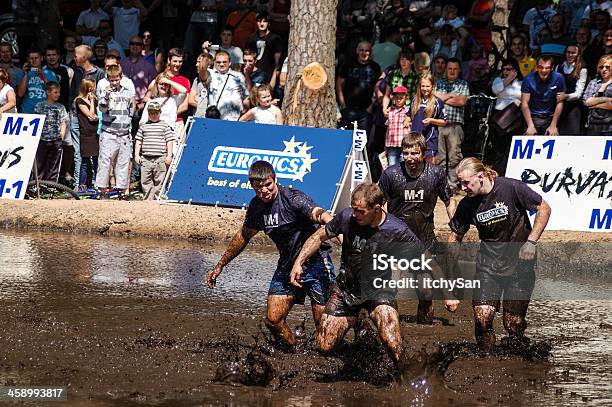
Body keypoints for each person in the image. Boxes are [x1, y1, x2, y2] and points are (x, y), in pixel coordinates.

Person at [290, 182, 458, 365]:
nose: (355, 215)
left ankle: (405, 379)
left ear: (376, 209)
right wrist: (299, 263)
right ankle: (359, 346)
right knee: (324, 346)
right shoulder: (346, 217)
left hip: (380, 290)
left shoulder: (397, 230)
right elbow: (319, 236)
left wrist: (448, 294)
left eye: (360, 211)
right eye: (353, 209)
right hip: (347, 289)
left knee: (392, 342)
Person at [206, 161, 336, 349]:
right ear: (252, 186)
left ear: (275, 180)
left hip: (316, 264)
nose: (265, 191)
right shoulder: (257, 207)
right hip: (286, 265)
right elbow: (243, 236)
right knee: (273, 320)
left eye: (268, 185)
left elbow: (319, 214)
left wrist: (337, 229)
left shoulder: (293, 198)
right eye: (259, 188)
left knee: (324, 332)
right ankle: (294, 352)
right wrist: (220, 265)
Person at [448, 157, 551, 351]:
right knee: (482, 318)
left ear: (481, 176)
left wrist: (531, 242)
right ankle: (487, 360)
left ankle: (518, 358)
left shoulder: (511, 188)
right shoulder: (467, 204)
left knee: (512, 324)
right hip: (488, 267)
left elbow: (544, 208)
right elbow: (455, 237)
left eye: (466, 182)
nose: (463, 188)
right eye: (460, 183)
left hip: (520, 265)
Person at [378, 133, 457, 324]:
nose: (410, 158)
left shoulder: (436, 173)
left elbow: (449, 200)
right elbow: (378, 204)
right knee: (390, 289)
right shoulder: (390, 174)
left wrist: (456, 228)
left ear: (423, 153)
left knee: (426, 291)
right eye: (406, 153)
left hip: (425, 237)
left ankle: (425, 330)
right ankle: (390, 327)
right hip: (395, 240)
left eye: (414, 153)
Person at [95, 65, 135, 198]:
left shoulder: (127, 91)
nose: (114, 82)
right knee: (105, 161)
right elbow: (102, 109)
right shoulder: (105, 92)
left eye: (116, 79)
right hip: (109, 132)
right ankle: (102, 190)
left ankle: (122, 191)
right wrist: (106, 96)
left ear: (120, 78)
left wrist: (128, 127)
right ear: (108, 79)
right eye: (111, 80)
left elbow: (131, 110)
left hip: (123, 133)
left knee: (123, 163)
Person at [435, 58, 469, 193]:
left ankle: (453, 187)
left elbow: (462, 101)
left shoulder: (463, 83)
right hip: (438, 124)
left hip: (455, 125)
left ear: (459, 70)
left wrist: (443, 97)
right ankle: (440, 187)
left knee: (454, 157)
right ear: (446, 70)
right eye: (450, 68)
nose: (452, 71)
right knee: (440, 157)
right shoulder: (439, 83)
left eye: (455, 69)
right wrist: (450, 95)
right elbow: (434, 99)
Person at [134, 101, 175, 200]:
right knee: (145, 180)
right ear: (148, 114)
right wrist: (136, 155)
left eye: (156, 113)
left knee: (159, 181)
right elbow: (139, 141)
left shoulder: (165, 126)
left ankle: (158, 199)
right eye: (151, 113)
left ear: (160, 113)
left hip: (160, 158)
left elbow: (169, 141)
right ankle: (148, 200)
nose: (154, 115)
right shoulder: (143, 126)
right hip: (146, 158)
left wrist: (169, 156)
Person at [490, 58, 524, 175]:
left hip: (515, 119)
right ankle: (499, 173)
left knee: (510, 148)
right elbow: (495, 90)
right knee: (499, 149)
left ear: (515, 70)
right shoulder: (498, 80)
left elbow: (522, 96)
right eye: (504, 69)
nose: (506, 71)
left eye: (509, 69)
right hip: (500, 118)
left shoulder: (521, 83)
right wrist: (508, 79)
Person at [521, 55, 566, 136]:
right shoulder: (528, 79)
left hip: (551, 117)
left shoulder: (559, 78)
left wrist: (553, 125)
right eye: (541, 67)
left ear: (552, 68)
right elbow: (524, 103)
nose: (543, 70)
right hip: (532, 116)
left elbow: (560, 102)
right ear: (537, 67)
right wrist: (530, 125)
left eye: (547, 68)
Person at [407, 73, 447, 163]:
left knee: (429, 167)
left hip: (430, 139)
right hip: (415, 138)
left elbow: (444, 122)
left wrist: (431, 120)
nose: (425, 89)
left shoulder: (437, 102)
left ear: (433, 86)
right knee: (415, 165)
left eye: (427, 86)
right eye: (423, 86)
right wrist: (406, 120)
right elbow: (409, 115)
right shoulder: (414, 100)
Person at [33, 81, 68, 182]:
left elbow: (63, 122)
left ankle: (51, 185)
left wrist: (62, 135)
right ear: (48, 92)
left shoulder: (60, 107)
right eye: (55, 92)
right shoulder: (39, 105)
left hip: (56, 139)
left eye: (58, 92)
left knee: (53, 164)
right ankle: (38, 184)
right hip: (42, 139)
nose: (58, 94)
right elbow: (36, 121)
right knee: (40, 163)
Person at [207, 50, 250, 121]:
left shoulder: (239, 76)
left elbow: (246, 97)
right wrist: (206, 52)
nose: (221, 64)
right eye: (218, 62)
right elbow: (202, 68)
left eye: (224, 62)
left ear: (230, 63)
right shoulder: (210, 74)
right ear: (214, 63)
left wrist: (244, 113)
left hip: (235, 119)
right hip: (215, 118)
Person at [244, 12, 283, 87]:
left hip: (269, 76)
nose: (261, 24)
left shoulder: (275, 38)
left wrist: (273, 81)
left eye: (264, 21)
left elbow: (278, 63)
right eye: (259, 21)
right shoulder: (251, 38)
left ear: (268, 23)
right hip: (253, 77)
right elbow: (247, 59)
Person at [556, 44, 588, 135]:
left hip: (574, 106)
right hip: (559, 103)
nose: (570, 55)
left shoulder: (582, 69)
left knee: (572, 132)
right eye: (568, 52)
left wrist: (566, 96)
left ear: (578, 55)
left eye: (573, 53)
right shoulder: (559, 66)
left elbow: (579, 93)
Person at [74, 77, 99, 190]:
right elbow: (90, 115)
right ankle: (82, 184)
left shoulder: (96, 100)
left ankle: (97, 183)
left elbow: (97, 116)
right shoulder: (79, 101)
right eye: (93, 87)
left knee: (96, 160)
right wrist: (92, 102)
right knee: (85, 161)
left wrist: (95, 116)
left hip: (95, 134)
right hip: (86, 134)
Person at [17, 49, 58, 114]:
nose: (34, 60)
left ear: (41, 58)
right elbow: (20, 94)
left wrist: (43, 77)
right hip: (27, 111)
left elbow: (55, 92)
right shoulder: (21, 73)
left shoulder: (50, 73)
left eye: (36, 58)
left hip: (45, 111)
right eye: (31, 58)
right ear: (28, 59)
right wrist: (26, 74)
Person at [121, 35, 157, 104]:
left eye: (138, 44)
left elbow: (154, 86)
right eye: (132, 43)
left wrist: (143, 102)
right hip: (122, 103)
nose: (135, 46)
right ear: (129, 46)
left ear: (142, 47)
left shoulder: (149, 67)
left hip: (140, 105)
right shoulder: (121, 64)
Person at [583, 54, 612, 136]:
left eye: (607, 67)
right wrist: (608, 99)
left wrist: (595, 104)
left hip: (609, 127)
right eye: (601, 67)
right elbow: (587, 102)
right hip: (593, 126)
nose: (604, 69)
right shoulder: (593, 82)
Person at [384, 86, 411, 166]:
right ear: (393, 98)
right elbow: (388, 129)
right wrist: (385, 145)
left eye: (401, 98)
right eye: (397, 98)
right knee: (392, 166)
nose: (399, 100)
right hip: (392, 145)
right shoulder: (390, 111)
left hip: (404, 145)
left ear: (406, 98)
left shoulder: (408, 111)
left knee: (404, 166)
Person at [43, 45, 74, 111]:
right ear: (45, 57)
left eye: (54, 55)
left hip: (64, 107)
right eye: (49, 55)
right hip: (47, 108)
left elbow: (71, 91)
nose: (51, 57)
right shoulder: (42, 70)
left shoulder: (68, 70)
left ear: (58, 56)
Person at [188, 53, 212, 118]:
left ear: (208, 65)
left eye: (199, 62)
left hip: (210, 117)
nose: (196, 65)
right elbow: (190, 100)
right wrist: (203, 102)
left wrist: (198, 99)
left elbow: (203, 68)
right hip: (197, 117)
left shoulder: (213, 77)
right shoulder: (196, 79)